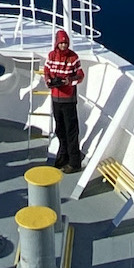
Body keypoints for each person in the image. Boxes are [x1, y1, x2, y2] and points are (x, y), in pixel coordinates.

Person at [42, 28, 85, 172]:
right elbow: (46, 70)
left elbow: (80, 75)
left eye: (66, 43)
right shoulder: (51, 56)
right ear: (57, 43)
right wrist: (49, 80)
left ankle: (74, 162)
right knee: (60, 129)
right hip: (56, 99)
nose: (64, 45)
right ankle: (63, 156)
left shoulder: (73, 57)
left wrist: (69, 80)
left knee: (71, 130)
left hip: (68, 100)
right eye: (61, 43)